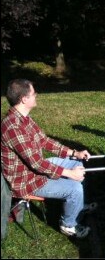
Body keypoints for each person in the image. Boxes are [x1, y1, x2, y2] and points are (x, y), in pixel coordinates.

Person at [1, 79, 95, 239]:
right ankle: (68, 225)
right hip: (27, 180)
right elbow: (36, 163)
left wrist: (74, 153)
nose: (36, 95)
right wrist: (69, 174)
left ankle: (76, 205)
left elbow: (44, 141)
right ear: (24, 99)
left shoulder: (24, 118)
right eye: (33, 93)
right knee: (75, 188)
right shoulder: (13, 128)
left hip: (34, 170)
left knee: (76, 163)